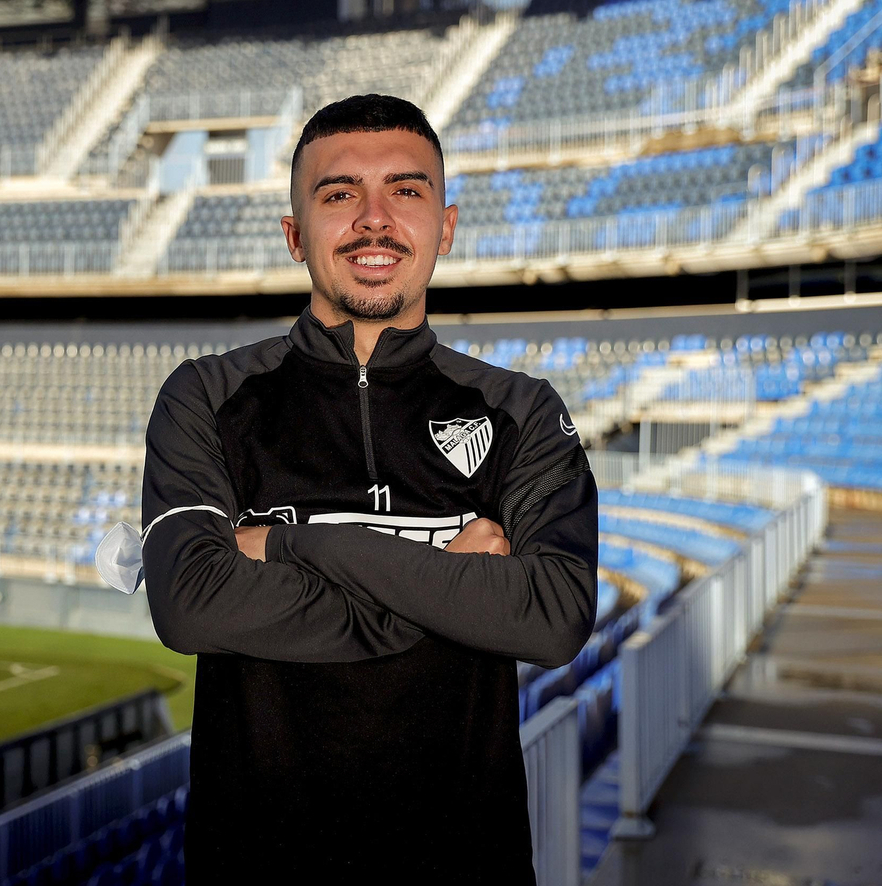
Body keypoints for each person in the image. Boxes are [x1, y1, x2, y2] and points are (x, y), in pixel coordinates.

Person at [137, 94, 597, 882]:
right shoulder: (205, 398)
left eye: (406, 191)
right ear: (294, 234)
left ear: (445, 227)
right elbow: (188, 603)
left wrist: (289, 543)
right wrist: (448, 586)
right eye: (340, 193)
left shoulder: (520, 411)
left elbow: (553, 619)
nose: (374, 220)